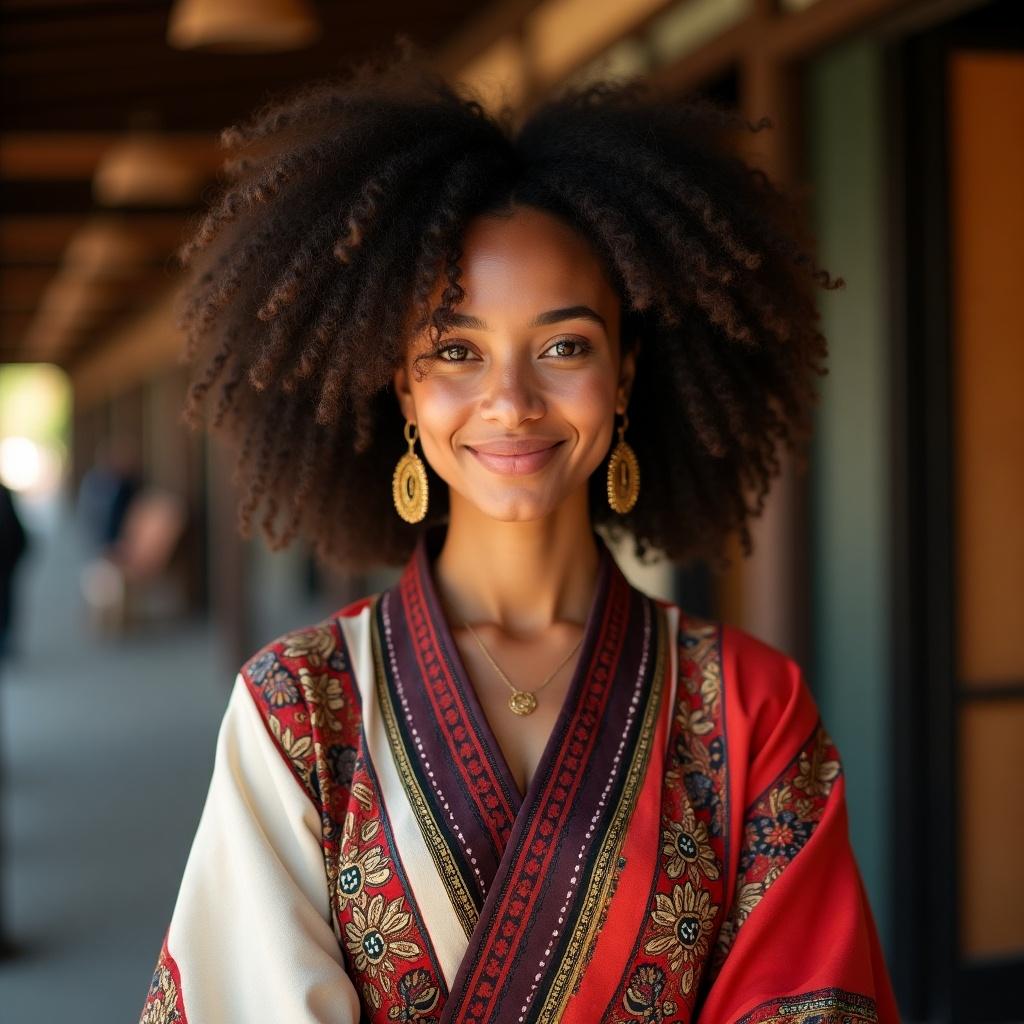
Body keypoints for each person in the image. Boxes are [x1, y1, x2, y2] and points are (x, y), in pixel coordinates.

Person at [139, 51, 900, 1024]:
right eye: (455, 350)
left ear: (622, 376)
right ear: (401, 387)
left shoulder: (748, 706)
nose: (510, 400)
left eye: (564, 345)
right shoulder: (300, 710)